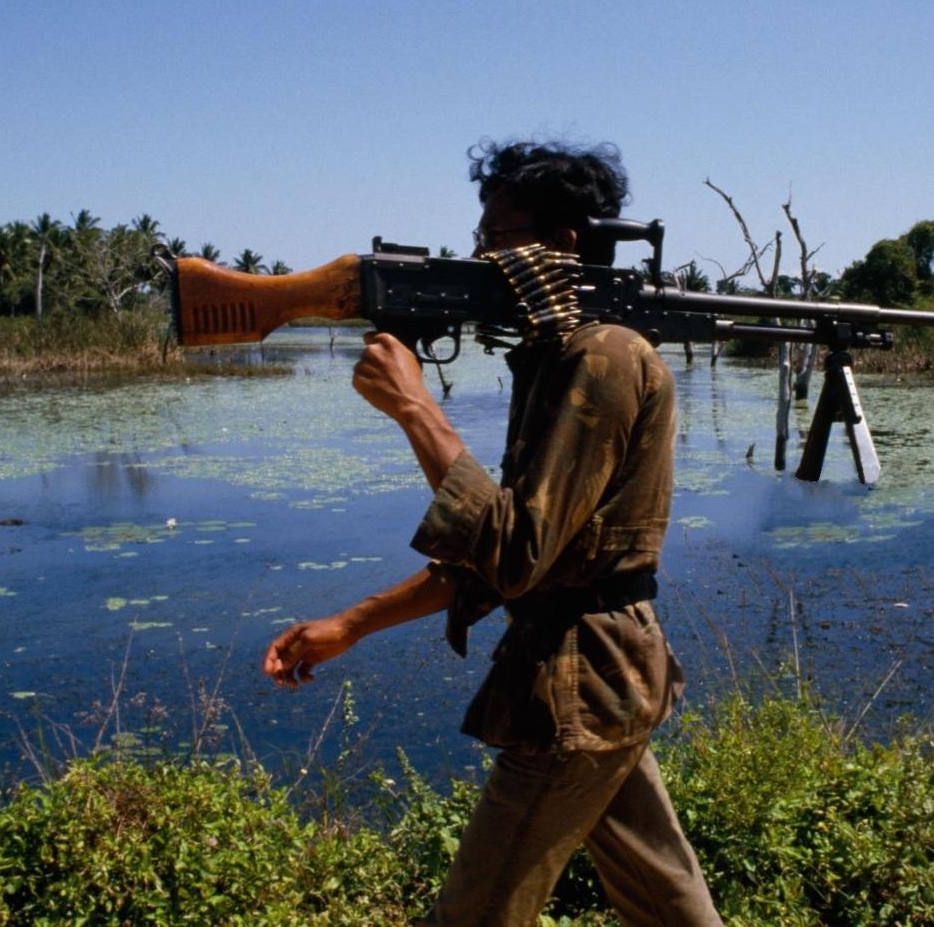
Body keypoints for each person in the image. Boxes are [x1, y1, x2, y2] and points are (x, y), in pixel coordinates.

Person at [263, 140, 722, 927]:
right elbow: (507, 561)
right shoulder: (559, 355)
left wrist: (417, 409)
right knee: (669, 905)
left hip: (583, 685)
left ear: (563, 243)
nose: (483, 257)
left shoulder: (603, 354)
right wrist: (353, 623)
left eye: (499, 237)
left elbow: (515, 552)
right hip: (606, 681)